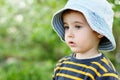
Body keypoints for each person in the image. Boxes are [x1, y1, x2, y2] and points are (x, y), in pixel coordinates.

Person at [51, 0, 119, 80]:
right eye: (67, 27)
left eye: (78, 27)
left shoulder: (104, 72)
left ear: (99, 31)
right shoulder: (61, 64)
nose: (69, 34)